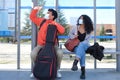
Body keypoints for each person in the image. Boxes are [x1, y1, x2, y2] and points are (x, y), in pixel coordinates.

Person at [29, 6, 65, 78]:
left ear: (53, 16)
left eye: (49, 13)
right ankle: (37, 69)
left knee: (60, 53)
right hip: (41, 45)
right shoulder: (42, 21)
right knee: (33, 54)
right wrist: (36, 9)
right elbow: (32, 17)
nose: (47, 14)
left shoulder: (55, 24)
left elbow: (62, 30)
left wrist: (55, 23)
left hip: (52, 46)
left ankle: (56, 70)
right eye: (47, 13)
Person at [69, 15, 93, 79]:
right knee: (81, 52)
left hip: (85, 46)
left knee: (81, 45)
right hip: (75, 46)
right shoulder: (75, 27)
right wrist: (74, 36)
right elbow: (70, 35)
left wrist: (81, 43)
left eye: (82, 19)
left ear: (86, 21)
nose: (80, 20)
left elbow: (87, 41)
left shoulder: (89, 30)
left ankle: (75, 62)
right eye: (80, 19)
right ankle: (83, 71)